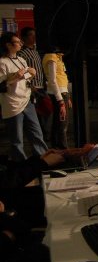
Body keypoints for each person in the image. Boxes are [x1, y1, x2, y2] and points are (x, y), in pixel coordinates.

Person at [0, 33, 48, 162]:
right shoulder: (2, 62)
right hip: (12, 103)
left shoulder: (21, 59)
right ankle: (20, 164)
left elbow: (25, 78)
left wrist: (30, 74)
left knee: (36, 133)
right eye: (17, 42)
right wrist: (15, 76)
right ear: (8, 45)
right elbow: (2, 85)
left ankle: (43, 160)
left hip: (26, 100)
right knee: (17, 139)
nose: (20, 44)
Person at [17, 28, 48, 132]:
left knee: (45, 109)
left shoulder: (36, 51)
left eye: (34, 34)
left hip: (41, 86)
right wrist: (30, 85)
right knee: (37, 113)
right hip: (32, 87)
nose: (34, 37)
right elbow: (22, 71)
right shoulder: (21, 53)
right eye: (31, 35)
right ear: (24, 38)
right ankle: (40, 132)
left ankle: (43, 131)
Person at [41, 48, 71, 149]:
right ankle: (62, 148)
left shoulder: (57, 57)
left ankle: (57, 148)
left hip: (61, 92)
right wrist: (60, 100)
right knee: (62, 123)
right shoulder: (51, 57)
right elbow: (52, 80)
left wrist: (67, 96)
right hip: (58, 94)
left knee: (59, 122)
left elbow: (61, 77)